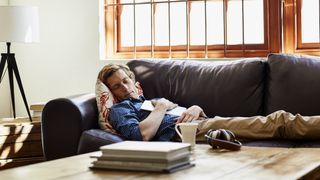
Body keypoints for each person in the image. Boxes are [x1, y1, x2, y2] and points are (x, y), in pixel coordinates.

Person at [98, 64, 320, 141]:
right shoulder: (121, 109)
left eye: (126, 81)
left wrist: (196, 108)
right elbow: (141, 135)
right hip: (189, 132)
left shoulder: (154, 100)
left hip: (204, 122)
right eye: (117, 86)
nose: (125, 88)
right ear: (112, 92)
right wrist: (162, 107)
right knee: (277, 122)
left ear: (133, 80)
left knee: (277, 122)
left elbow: (187, 111)